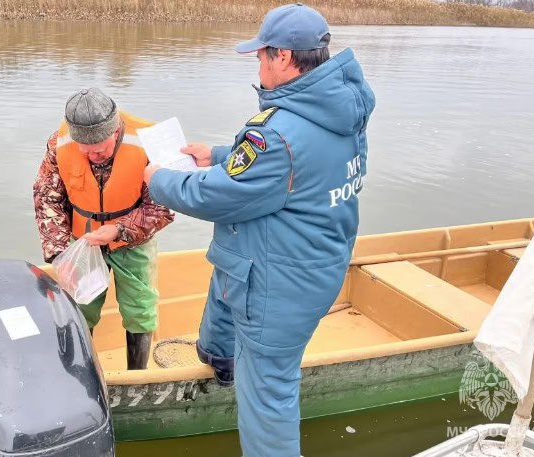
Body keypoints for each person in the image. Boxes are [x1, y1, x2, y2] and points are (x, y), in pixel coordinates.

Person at [144, 4, 376, 455]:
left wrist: (158, 180)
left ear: (284, 57)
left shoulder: (277, 134)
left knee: (269, 396)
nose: (257, 62)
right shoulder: (339, 111)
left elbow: (216, 195)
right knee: (221, 309)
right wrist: (217, 153)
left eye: (261, 54)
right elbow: (296, 169)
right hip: (313, 262)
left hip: (278, 286)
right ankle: (222, 364)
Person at [33, 87, 175, 370]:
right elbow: (47, 198)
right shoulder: (59, 143)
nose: (93, 156)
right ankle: (78, 372)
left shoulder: (150, 140)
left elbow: (165, 206)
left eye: (100, 150)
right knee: (77, 308)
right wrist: (61, 254)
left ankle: (138, 374)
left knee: (140, 309)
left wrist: (119, 230)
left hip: (132, 241)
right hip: (81, 241)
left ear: (115, 131)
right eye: (84, 151)